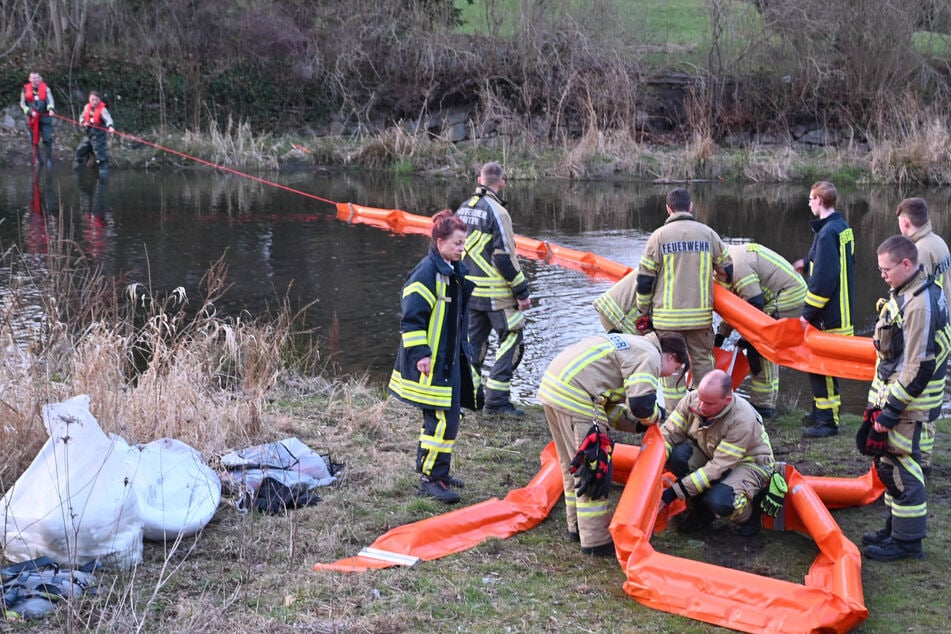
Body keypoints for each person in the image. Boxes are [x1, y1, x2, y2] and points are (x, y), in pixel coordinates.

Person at [537, 331, 689, 555]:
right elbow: (641, 405)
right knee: (594, 472)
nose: (668, 375)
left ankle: (576, 526)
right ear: (671, 357)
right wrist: (656, 416)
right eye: (675, 369)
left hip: (555, 390)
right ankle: (596, 542)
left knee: (572, 465)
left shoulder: (632, 344)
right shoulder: (650, 356)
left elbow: (607, 405)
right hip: (577, 399)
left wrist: (637, 426)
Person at [859, 236, 949, 561]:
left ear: (906, 265)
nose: (882, 275)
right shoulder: (907, 292)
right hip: (898, 399)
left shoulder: (920, 304)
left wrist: (890, 411)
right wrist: (875, 406)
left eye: (886, 269)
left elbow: (918, 364)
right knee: (887, 465)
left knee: (902, 468)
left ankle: (908, 544)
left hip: (910, 405)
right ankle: (895, 528)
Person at [389, 210, 477, 504]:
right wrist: (422, 355)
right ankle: (429, 479)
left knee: (450, 420)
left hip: (448, 361)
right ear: (439, 241)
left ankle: (440, 473)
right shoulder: (426, 273)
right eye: (457, 243)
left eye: (463, 244)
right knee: (439, 420)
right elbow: (411, 320)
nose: (461, 249)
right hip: (431, 363)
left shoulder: (450, 270)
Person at [631, 188, 733, 411]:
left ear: (668, 208)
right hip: (700, 318)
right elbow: (728, 270)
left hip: (667, 321)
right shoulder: (708, 234)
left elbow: (645, 280)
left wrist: (642, 312)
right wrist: (716, 294)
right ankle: (706, 411)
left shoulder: (658, 237)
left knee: (672, 371)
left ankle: (676, 417)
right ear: (691, 206)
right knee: (704, 366)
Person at [658, 369, 776, 536]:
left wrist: (671, 494)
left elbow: (717, 468)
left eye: (709, 403)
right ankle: (701, 513)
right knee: (678, 456)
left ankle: (749, 514)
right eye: (701, 398)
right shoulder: (692, 400)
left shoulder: (742, 418)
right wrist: (654, 464)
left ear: (727, 400)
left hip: (750, 462)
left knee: (720, 500)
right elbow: (668, 434)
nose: (701, 406)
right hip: (713, 453)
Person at [455, 161, 531, 416]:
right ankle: (497, 401)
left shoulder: (463, 209)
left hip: (470, 292)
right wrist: (521, 292)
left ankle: (473, 398)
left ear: (479, 179)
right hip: (497, 295)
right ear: (502, 183)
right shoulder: (498, 212)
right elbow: (503, 256)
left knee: (473, 346)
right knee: (513, 338)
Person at [714, 242, 807, 419]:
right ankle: (762, 404)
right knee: (758, 344)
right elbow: (736, 306)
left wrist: (748, 337)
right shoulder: (726, 264)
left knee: (762, 346)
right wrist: (721, 335)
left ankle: (764, 406)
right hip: (775, 297)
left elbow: (753, 305)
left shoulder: (738, 265)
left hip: (789, 298)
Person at [794, 181, 855, 438]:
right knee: (821, 368)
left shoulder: (828, 232)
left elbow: (824, 280)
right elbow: (831, 262)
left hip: (829, 317)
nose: (808, 203)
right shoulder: (840, 227)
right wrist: (806, 263)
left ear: (819, 200)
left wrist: (806, 314)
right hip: (842, 310)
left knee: (821, 368)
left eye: (810, 199)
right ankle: (820, 412)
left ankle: (827, 423)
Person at [896, 197, 950, 472]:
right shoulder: (938, 242)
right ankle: (925, 458)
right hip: (944, 327)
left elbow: (916, 296)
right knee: (931, 400)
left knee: (920, 401)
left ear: (905, 221)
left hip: (929, 332)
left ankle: (921, 462)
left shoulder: (918, 251)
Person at [19, 72, 56, 168]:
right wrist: (29, 112)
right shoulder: (24, 90)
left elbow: (50, 100)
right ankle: (37, 159)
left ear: (41, 78)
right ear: (30, 79)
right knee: (34, 139)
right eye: (34, 78)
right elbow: (23, 104)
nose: (36, 80)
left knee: (47, 138)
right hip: (32, 118)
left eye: (38, 78)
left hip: (45, 117)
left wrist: (51, 109)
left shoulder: (46, 89)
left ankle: (49, 159)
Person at [73, 91, 115, 172]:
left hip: (99, 135)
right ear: (89, 99)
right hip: (88, 134)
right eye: (92, 99)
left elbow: (108, 119)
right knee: (80, 151)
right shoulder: (86, 107)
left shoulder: (103, 110)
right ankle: (77, 171)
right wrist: (82, 122)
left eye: (96, 100)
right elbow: (82, 116)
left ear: (99, 100)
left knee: (100, 156)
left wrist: (110, 126)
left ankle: (103, 174)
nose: (94, 102)